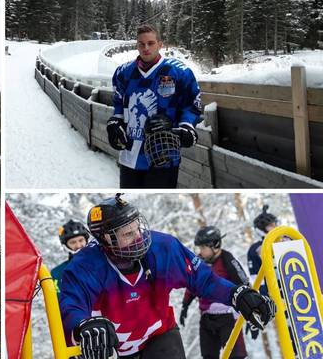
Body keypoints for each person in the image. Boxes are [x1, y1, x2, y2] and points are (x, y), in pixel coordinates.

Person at [59, 194, 276, 359]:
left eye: (138, 229)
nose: (139, 237)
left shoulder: (163, 248)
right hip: (110, 347)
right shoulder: (84, 267)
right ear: (105, 238)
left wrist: (237, 294)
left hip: (159, 336)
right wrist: (84, 326)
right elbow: (71, 307)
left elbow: (204, 280)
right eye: (128, 234)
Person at [106, 24, 202, 188]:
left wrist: (185, 128)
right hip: (130, 154)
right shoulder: (123, 73)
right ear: (136, 45)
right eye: (141, 44)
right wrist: (114, 123)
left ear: (160, 44)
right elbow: (119, 106)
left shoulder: (180, 72)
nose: (146, 48)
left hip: (163, 153)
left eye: (150, 43)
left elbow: (191, 106)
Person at [180, 226, 248, 359]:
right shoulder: (199, 262)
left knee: (235, 355)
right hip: (206, 319)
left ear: (215, 245)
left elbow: (244, 284)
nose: (200, 251)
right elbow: (192, 284)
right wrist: (185, 305)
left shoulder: (228, 259)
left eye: (203, 248)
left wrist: (250, 312)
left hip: (227, 318)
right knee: (208, 355)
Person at [246, 204, 278, 340]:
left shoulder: (289, 239)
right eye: (270, 225)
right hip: (274, 294)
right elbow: (256, 280)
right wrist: (259, 305)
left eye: (275, 224)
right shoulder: (255, 250)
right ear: (261, 229)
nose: (274, 227)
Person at [51, 219, 90, 293]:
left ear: (86, 241)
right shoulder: (57, 273)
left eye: (81, 240)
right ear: (66, 246)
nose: (78, 245)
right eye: (73, 242)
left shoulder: (104, 263)